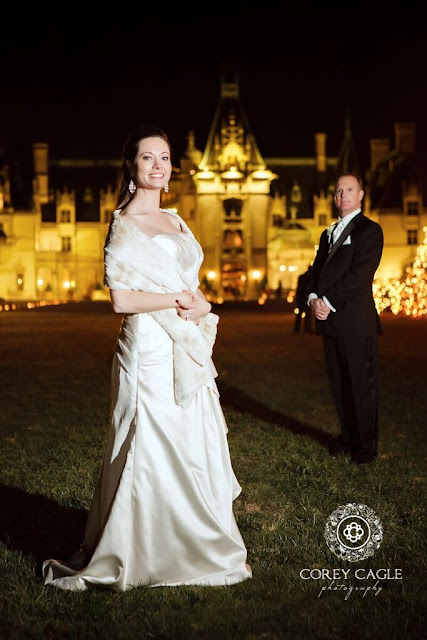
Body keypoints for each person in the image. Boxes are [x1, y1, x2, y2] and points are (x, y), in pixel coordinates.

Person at [43, 125, 252, 590]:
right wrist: (177, 301)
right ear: (132, 169)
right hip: (148, 347)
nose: (158, 164)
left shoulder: (178, 221)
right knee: (149, 439)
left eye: (165, 157)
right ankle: (139, 545)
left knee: (189, 438)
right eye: (148, 158)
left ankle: (200, 537)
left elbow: (186, 282)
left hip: (184, 340)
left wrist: (199, 304)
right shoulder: (124, 224)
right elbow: (121, 300)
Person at [308, 173, 383, 465]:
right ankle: (347, 436)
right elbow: (315, 272)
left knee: (361, 386)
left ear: (361, 194)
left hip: (355, 321)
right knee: (339, 383)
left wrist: (326, 302)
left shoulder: (370, 231)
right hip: (330, 322)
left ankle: (365, 446)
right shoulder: (327, 234)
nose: (343, 195)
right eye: (339, 190)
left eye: (349, 189)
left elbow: (359, 276)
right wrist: (312, 298)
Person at [293, 266, 314, 334]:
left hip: (302, 298)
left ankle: (299, 329)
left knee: (303, 314)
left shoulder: (303, 277)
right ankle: (305, 328)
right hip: (304, 297)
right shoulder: (309, 278)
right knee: (307, 314)